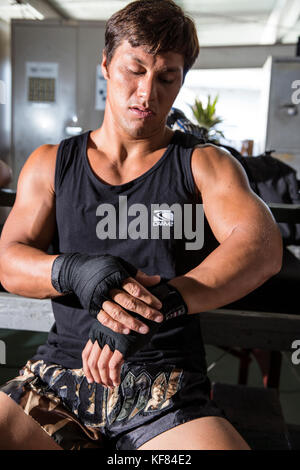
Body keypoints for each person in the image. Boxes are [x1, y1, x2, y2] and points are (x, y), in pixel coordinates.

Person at [0, 0, 282, 451]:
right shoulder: (52, 163)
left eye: (167, 77)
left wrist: (156, 306)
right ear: (107, 64)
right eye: (135, 69)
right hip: (62, 377)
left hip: (164, 387)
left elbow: (261, 247)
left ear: (181, 80)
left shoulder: (204, 163)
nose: (147, 93)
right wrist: (74, 270)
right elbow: (9, 261)